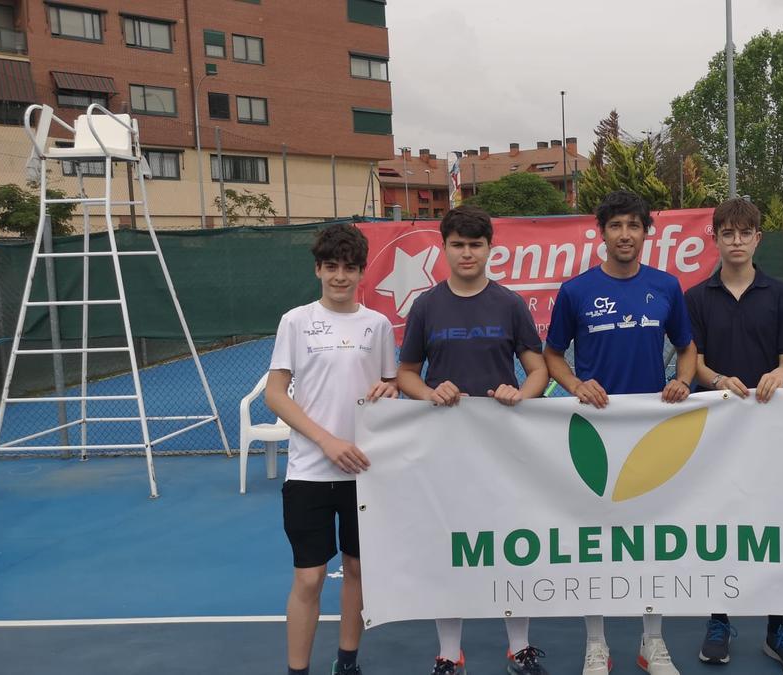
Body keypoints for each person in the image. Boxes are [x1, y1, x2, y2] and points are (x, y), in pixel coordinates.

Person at [544, 190, 697, 675]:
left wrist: (683, 380)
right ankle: (597, 643)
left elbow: (688, 348)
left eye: (634, 225)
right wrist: (572, 383)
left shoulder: (666, 286)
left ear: (646, 232)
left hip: (649, 432)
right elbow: (552, 354)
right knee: (596, 539)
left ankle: (653, 642)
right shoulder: (576, 291)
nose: (625, 235)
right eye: (616, 226)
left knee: (649, 539)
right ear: (601, 232)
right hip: (593, 430)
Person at [395, 206, 551, 675]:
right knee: (451, 546)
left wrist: (520, 392)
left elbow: (539, 369)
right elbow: (405, 374)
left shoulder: (509, 303)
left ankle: (519, 649)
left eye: (475, 244)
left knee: (511, 544)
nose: (467, 253)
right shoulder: (426, 306)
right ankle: (448, 653)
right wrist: (429, 390)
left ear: (489, 248)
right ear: (444, 248)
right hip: (444, 449)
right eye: (458, 245)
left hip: (503, 447)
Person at [684, 198, 783, 675]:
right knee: (721, 524)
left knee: (771, 523)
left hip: (768, 427)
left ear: (758, 238)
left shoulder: (780, 295)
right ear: (715, 238)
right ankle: (719, 619)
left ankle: (777, 627)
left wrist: (779, 376)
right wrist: (717, 380)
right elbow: (691, 360)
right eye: (728, 234)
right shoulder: (695, 297)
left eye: (745, 234)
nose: (736, 242)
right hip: (714, 430)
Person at [266, 223, 399, 675]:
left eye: (349, 268)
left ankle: (347, 661)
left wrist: (390, 390)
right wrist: (326, 440)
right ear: (318, 269)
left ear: (361, 272)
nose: (340, 276)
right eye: (331, 267)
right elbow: (276, 393)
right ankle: (297, 669)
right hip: (309, 471)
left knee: (358, 572)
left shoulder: (377, 325)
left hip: (364, 472)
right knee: (310, 577)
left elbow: (390, 383)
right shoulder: (296, 321)